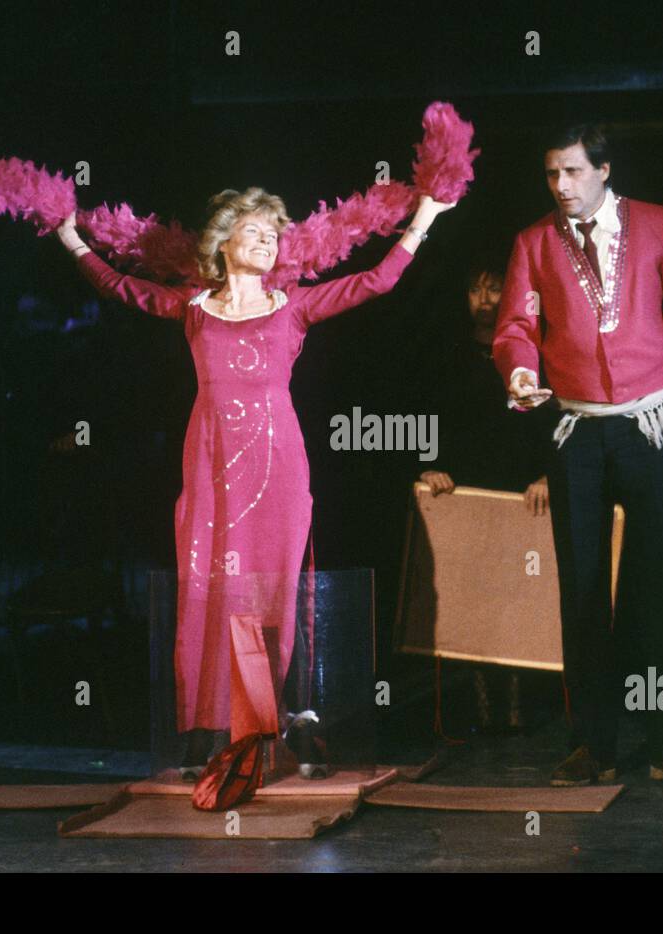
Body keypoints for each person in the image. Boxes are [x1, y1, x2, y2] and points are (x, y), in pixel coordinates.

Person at [56, 189, 454, 778]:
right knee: (210, 583)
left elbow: (375, 282)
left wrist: (422, 218)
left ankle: (283, 722)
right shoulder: (194, 308)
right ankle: (210, 728)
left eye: (274, 233)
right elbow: (121, 287)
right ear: (222, 245)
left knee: (276, 587)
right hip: (211, 461)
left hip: (279, 464)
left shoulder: (291, 307)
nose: (269, 240)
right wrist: (70, 239)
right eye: (255, 231)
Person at [492, 122, 663, 789]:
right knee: (583, 590)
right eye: (552, 174)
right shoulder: (534, 241)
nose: (561, 186)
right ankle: (594, 744)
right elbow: (517, 325)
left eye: (574, 172)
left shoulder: (660, 223)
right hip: (576, 427)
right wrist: (519, 372)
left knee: (661, 587)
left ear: (604, 170)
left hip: (653, 418)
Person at [419, 264, 555, 731]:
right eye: (474, 287)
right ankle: (479, 713)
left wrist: (547, 474)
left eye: (494, 286)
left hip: (520, 495)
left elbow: (554, 422)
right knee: (470, 598)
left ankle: (518, 712)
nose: (483, 297)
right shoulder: (447, 354)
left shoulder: (532, 354)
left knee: (516, 598)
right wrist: (429, 464)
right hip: (465, 494)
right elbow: (428, 414)